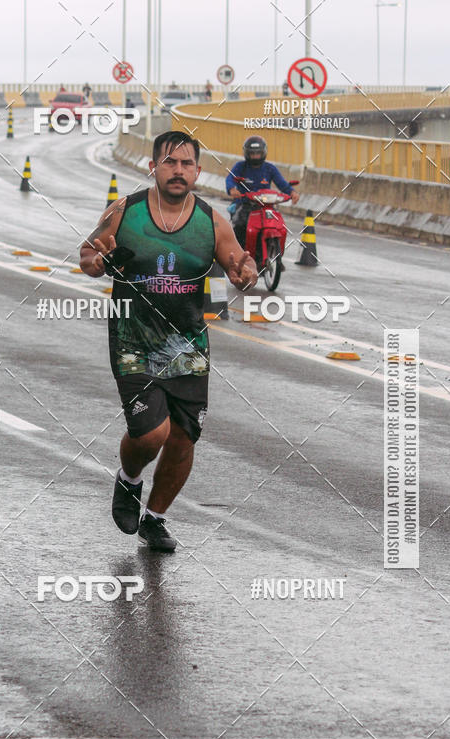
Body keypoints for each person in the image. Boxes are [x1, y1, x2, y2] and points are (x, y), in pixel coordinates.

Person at [80, 130, 257, 551]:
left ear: (197, 170)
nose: (178, 171)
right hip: (133, 339)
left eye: (186, 164)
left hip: (188, 344)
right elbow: (87, 254)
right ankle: (129, 479)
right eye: (169, 162)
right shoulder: (125, 211)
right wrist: (98, 261)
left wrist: (245, 273)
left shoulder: (212, 221)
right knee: (151, 434)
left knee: (183, 436)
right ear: (153, 167)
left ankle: (155, 519)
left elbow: (240, 264)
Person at [225, 135, 299, 248]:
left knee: (279, 226)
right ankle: (239, 252)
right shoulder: (240, 166)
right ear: (247, 153)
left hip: (265, 206)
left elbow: (282, 183)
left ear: (263, 153)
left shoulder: (270, 168)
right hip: (245, 205)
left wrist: (292, 192)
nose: (255, 156)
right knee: (240, 226)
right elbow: (230, 178)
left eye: (258, 153)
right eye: (252, 154)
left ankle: (274, 251)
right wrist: (232, 189)